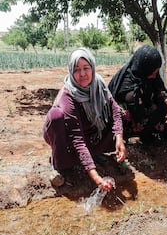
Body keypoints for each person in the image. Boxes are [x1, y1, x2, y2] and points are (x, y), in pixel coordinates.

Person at [43, 48, 126, 192]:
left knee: (120, 115)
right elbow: (77, 139)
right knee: (56, 116)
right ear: (70, 71)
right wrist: (97, 178)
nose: (82, 74)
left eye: (86, 68)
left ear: (92, 68)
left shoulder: (98, 84)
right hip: (67, 134)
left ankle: (93, 155)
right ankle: (60, 164)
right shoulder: (68, 95)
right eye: (77, 69)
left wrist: (119, 138)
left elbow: (115, 110)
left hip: (88, 130)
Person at [108, 45, 167, 144]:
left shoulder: (153, 76)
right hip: (134, 117)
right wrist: (162, 108)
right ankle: (131, 138)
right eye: (153, 72)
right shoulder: (127, 82)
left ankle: (152, 134)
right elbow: (139, 114)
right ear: (145, 68)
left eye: (156, 72)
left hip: (145, 112)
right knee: (122, 114)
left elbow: (161, 94)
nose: (155, 75)